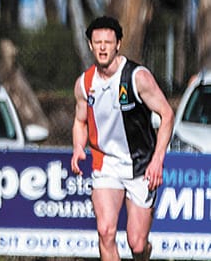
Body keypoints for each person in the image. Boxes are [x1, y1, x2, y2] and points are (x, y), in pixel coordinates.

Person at [71, 15, 174, 261]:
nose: (103, 47)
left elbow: (167, 114)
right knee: (105, 231)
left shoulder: (137, 77)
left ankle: (145, 252)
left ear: (118, 44)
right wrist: (78, 147)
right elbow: (80, 120)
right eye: (98, 42)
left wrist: (157, 160)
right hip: (105, 164)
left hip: (140, 166)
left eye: (108, 42)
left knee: (136, 244)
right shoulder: (85, 83)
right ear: (90, 45)